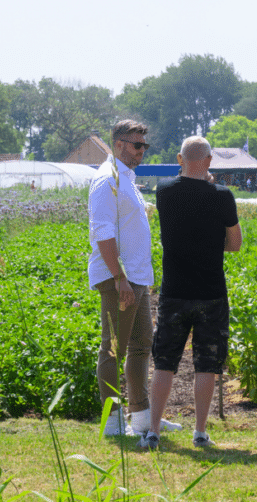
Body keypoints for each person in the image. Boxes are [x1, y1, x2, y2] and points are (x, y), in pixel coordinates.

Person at [137, 136, 242, 450]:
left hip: (174, 291)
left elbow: (185, 184)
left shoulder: (165, 191)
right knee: (206, 364)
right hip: (211, 291)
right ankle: (199, 431)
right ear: (210, 161)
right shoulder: (223, 196)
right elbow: (235, 244)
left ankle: (153, 430)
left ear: (180, 159)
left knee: (164, 362)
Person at [88, 119, 180, 437]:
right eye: (136, 145)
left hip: (136, 278)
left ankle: (141, 418)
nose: (142, 151)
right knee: (113, 349)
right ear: (118, 145)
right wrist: (119, 276)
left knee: (141, 345)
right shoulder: (107, 180)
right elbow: (102, 232)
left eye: (145, 146)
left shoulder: (126, 178)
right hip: (120, 278)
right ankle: (112, 424)